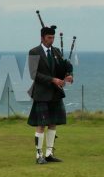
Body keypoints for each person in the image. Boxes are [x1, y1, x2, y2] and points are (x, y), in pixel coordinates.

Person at [27, 24, 73, 164]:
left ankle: (49, 154)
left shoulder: (57, 52)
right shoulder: (34, 52)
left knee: (53, 123)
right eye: (49, 37)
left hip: (55, 93)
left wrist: (69, 75)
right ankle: (38, 155)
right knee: (41, 124)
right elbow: (33, 74)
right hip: (41, 93)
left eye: (53, 37)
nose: (51, 40)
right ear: (42, 38)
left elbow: (63, 68)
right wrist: (52, 79)